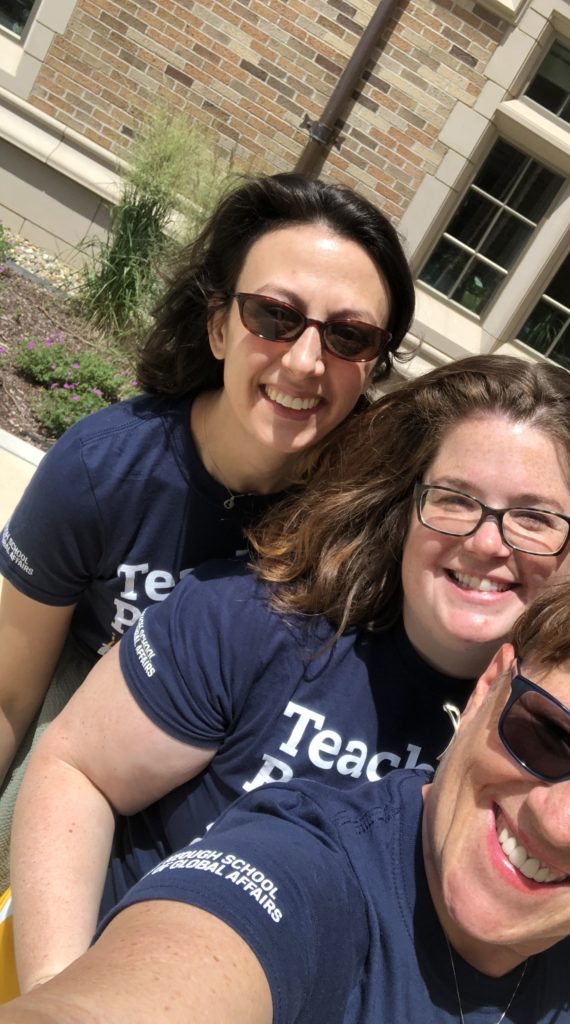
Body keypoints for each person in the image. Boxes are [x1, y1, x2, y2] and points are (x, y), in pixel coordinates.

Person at [10, 355, 570, 994]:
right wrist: (60, 987)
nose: (487, 542)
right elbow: (77, 770)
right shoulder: (250, 622)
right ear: (404, 504)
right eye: (455, 498)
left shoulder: (569, 747)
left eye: (535, 518)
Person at [2, 565, 570, 1024]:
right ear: (486, 690)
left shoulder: (562, 965)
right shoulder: (305, 867)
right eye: (550, 736)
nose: (562, 824)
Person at [0, 171, 414, 884]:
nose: (305, 361)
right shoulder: (104, 471)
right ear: (219, 325)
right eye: (274, 316)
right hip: (98, 723)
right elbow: (9, 695)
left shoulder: (371, 517)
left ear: (372, 364)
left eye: (348, 336)